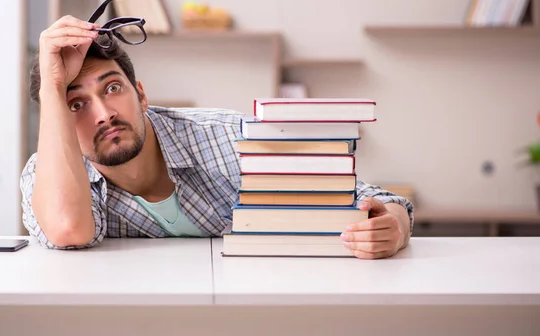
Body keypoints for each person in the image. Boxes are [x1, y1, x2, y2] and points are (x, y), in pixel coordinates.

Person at [20, 15, 415, 260]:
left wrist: (392, 228)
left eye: (111, 89)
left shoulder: (225, 137)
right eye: (76, 105)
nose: (104, 114)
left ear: (140, 93)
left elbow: (376, 201)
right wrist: (51, 88)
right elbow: (69, 232)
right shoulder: (47, 176)